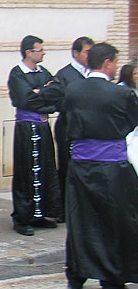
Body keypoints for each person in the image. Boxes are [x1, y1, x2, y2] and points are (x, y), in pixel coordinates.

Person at [63, 42, 138, 289]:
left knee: (81, 220)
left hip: (80, 165)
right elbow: (131, 122)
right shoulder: (120, 94)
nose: (117, 67)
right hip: (112, 168)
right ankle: (112, 282)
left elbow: (63, 126)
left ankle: (76, 275)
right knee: (115, 223)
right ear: (107, 62)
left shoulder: (72, 90)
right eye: (115, 62)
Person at [7, 35, 63, 236]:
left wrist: (41, 94)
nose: (43, 53)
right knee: (26, 171)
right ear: (29, 52)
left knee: (46, 169)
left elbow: (58, 91)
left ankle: (41, 214)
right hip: (26, 128)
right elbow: (25, 99)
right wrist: (42, 94)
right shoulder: (17, 75)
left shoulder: (43, 72)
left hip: (42, 126)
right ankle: (23, 217)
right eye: (40, 50)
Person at [53, 36, 93, 216]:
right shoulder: (64, 75)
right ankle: (66, 207)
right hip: (68, 128)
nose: (89, 56)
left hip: (89, 130)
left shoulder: (92, 73)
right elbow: (58, 103)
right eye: (87, 52)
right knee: (67, 168)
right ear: (76, 53)